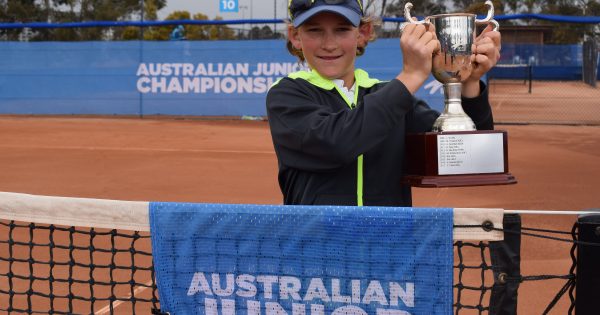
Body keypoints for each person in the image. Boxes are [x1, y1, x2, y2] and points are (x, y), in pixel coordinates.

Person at [266, 0, 501, 207]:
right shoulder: (287, 95)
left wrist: (468, 83)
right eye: (315, 30)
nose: (329, 43)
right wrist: (410, 76)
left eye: (342, 30)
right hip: (318, 253)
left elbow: (471, 158)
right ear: (295, 36)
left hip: (389, 252)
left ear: (363, 32)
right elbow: (335, 144)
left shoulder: (390, 97)